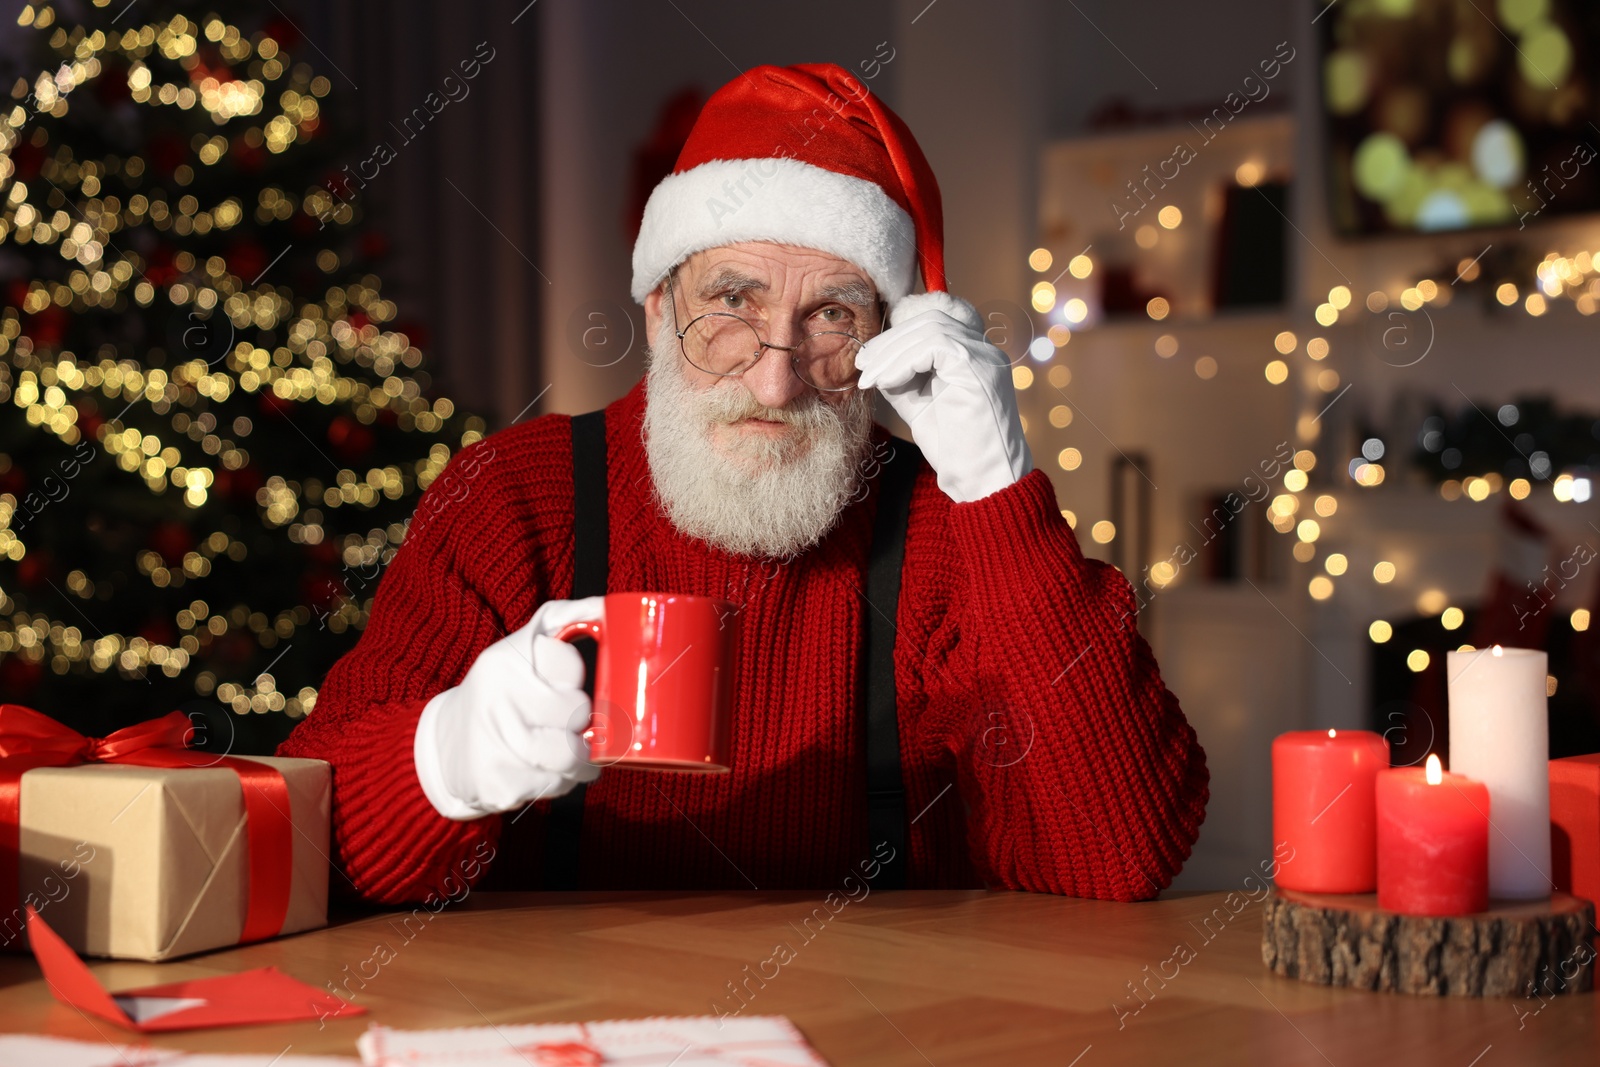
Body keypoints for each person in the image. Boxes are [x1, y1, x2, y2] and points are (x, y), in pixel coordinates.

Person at [278, 62, 1208, 903]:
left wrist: (999, 489)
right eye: (732, 303)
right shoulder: (511, 501)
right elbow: (298, 848)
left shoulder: (944, 529)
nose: (776, 377)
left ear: (884, 337)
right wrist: (443, 761)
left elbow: (1118, 859)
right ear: (655, 307)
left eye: (832, 314)